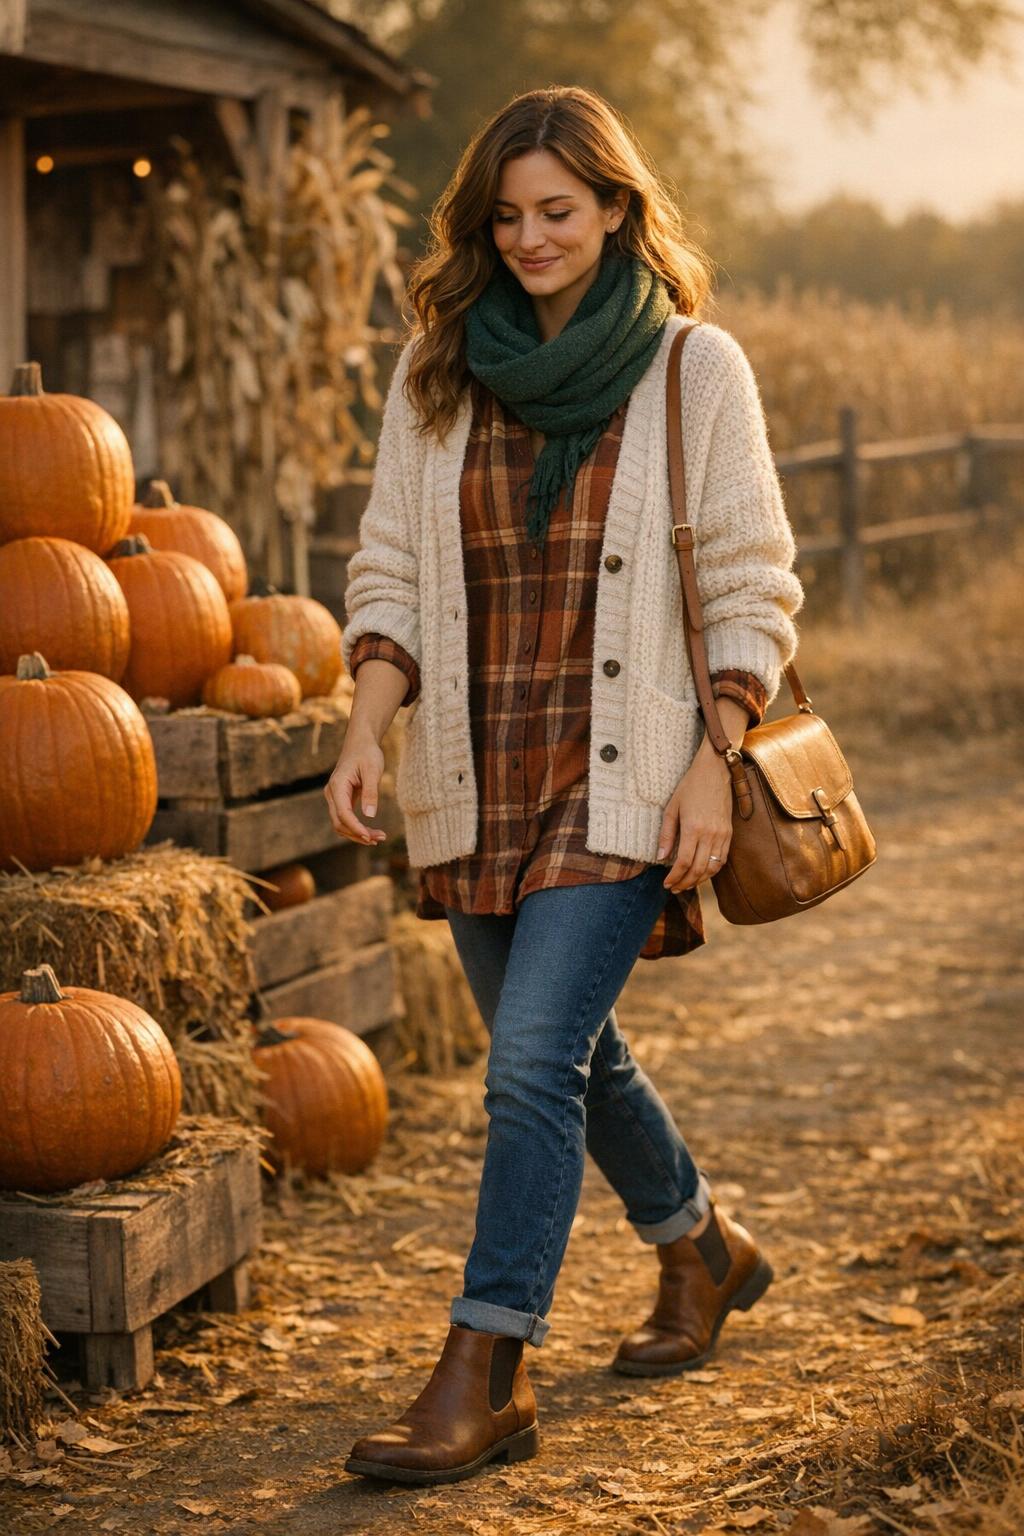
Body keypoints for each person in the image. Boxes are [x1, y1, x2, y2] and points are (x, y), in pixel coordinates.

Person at [325, 85, 804, 1486]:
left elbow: (747, 582)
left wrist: (716, 762)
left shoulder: (691, 370)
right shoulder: (437, 371)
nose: (532, 237)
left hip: (630, 774)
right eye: (508, 215)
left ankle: (485, 1368)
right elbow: (390, 571)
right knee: (573, 1056)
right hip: (476, 769)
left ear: (614, 209)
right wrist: (366, 726)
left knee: (531, 1061)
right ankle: (703, 1249)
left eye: (559, 210)